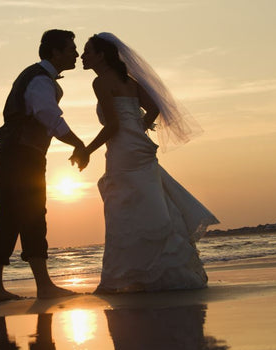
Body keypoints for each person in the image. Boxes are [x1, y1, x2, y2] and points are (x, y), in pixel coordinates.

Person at [71, 33, 219, 293]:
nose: (83, 56)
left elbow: (113, 125)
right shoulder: (129, 81)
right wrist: (138, 126)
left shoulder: (100, 82)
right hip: (139, 146)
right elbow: (154, 109)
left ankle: (128, 276)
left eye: (87, 51)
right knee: (150, 202)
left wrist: (86, 150)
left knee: (124, 206)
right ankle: (160, 271)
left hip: (123, 150)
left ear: (101, 55)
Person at [0, 29, 87, 302]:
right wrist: (79, 144)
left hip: (18, 153)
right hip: (20, 154)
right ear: (54, 52)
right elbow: (48, 116)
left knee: (19, 215)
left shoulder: (37, 77)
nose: (75, 54)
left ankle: (15, 287)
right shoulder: (40, 80)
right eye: (70, 49)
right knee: (22, 215)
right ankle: (27, 287)